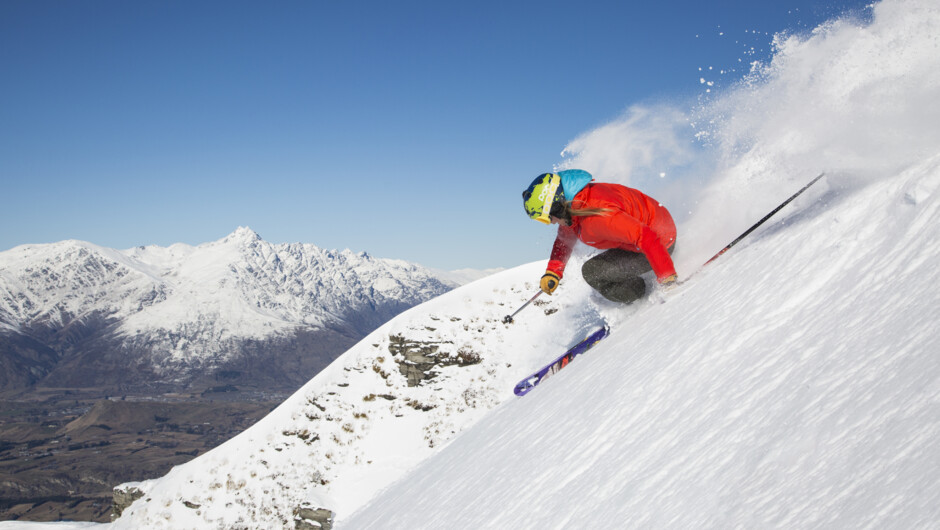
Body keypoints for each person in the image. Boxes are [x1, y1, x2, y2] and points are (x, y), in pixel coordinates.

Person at [522, 169, 678, 304]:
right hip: (651, 231)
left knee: (592, 273)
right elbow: (564, 241)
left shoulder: (597, 217)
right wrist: (553, 272)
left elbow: (647, 236)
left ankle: (639, 297)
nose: (550, 223)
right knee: (596, 268)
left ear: (557, 207)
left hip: (661, 242)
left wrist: (668, 280)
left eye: (547, 218)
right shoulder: (576, 204)